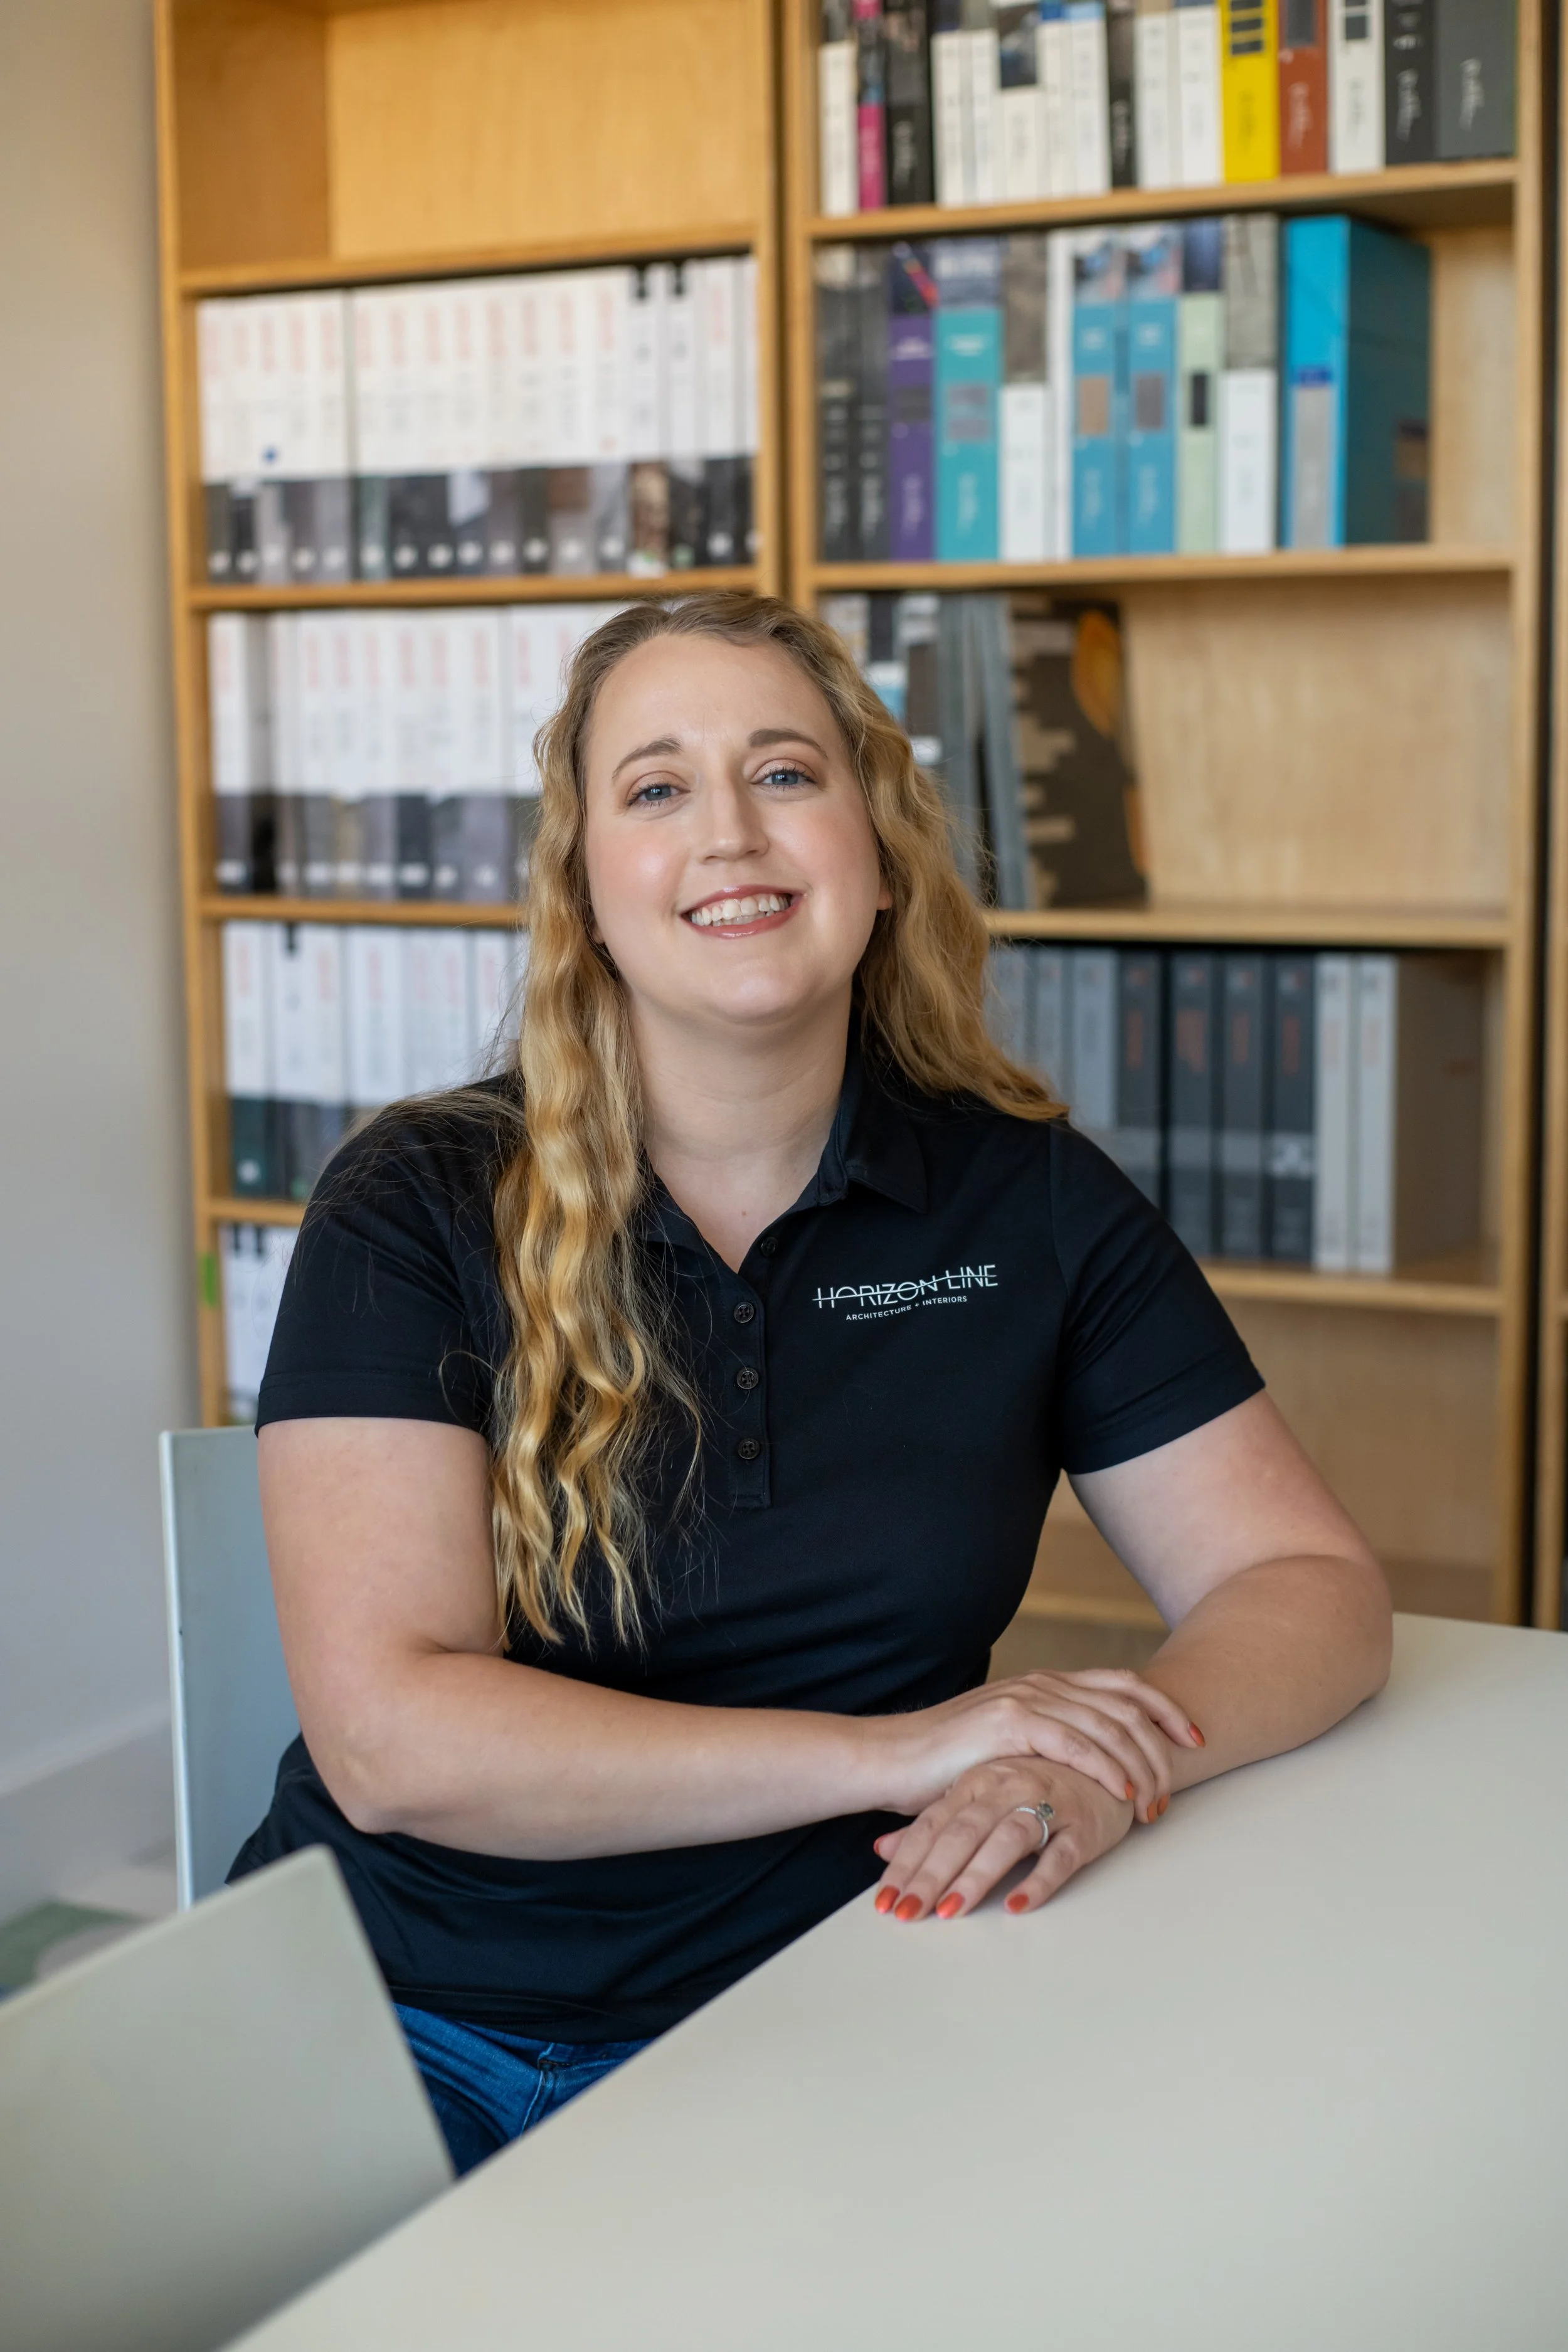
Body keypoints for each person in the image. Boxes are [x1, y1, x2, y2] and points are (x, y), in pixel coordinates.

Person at [236, 591, 1391, 2175]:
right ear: (584, 883)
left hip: (828, 2005)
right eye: (655, 787)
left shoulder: (1026, 1200)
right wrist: (909, 1749)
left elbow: (1303, 1577)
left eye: (783, 773)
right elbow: (390, 1739)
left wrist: (1101, 1765)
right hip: (391, 2016)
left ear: (878, 842)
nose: (730, 833)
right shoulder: (417, 1199)